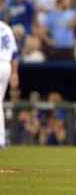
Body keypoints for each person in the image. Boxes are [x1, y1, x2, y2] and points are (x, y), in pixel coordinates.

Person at [0, 20, 20, 148]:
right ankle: (1, 139)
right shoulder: (6, 27)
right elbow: (15, 54)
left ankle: (1, 139)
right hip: (6, 66)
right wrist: (14, 73)